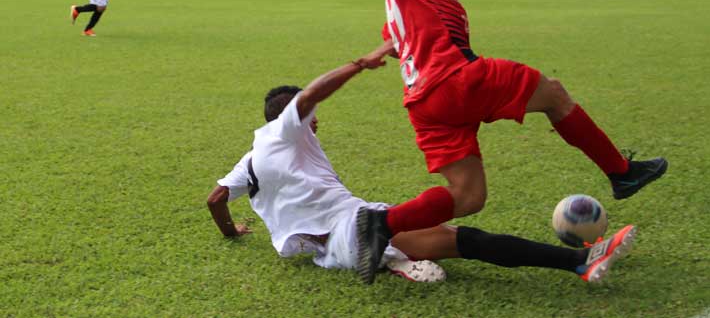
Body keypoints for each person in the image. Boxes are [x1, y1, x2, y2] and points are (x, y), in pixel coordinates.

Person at [344, 0, 667, 284]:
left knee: (468, 196)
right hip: (456, 79)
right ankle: (622, 172)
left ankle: (383, 222)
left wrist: (382, 49)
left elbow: (401, 38)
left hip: (426, 104)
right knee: (555, 95)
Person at [207, 41, 638, 285]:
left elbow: (216, 198)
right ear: (295, 117)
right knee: (464, 239)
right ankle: (582, 262)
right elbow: (312, 95)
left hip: (346, 231)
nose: (315, 120)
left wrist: (233, 231)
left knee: (449, 236)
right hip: (351, 232)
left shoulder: (251, 159)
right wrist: (361, 63)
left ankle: (396, 260)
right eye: (309, 117)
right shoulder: (288, 129)